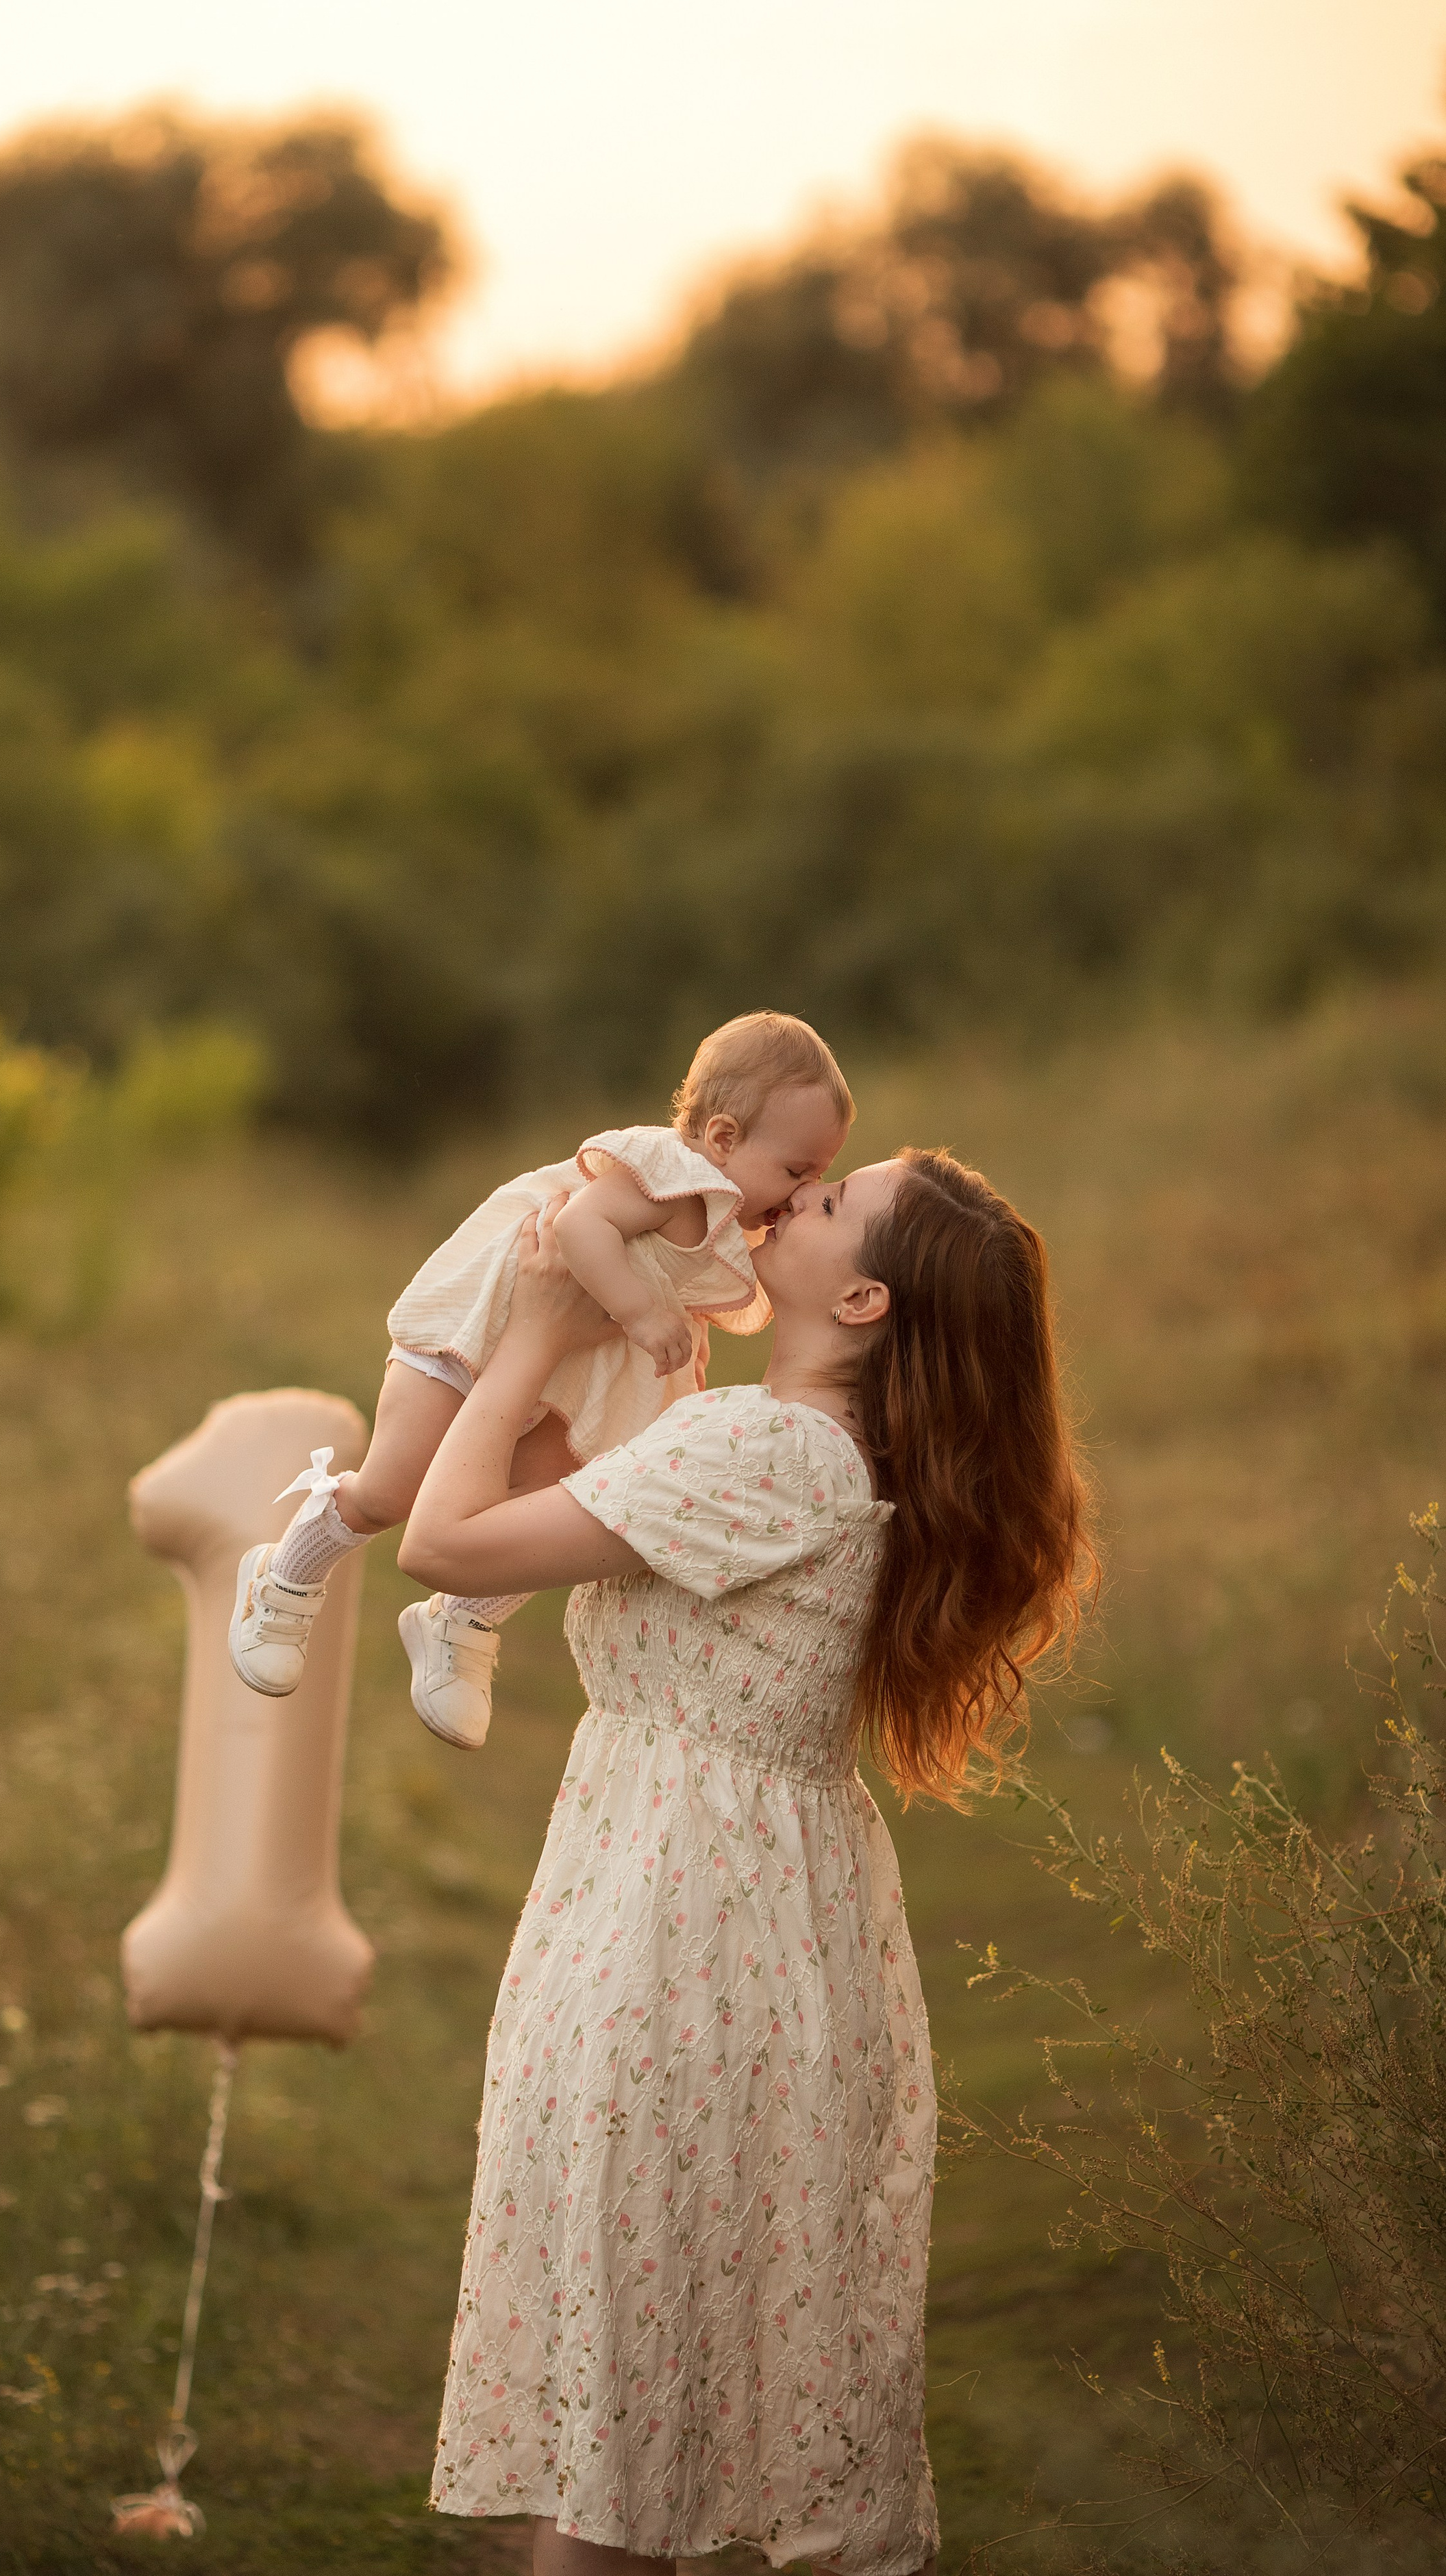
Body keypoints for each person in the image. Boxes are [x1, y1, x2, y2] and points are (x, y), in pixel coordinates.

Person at [399, 1149, 1095, 2575]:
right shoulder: (800, 1447)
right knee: (649, 2388)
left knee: (619, 2417)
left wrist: (532, 1328)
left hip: (673, 1931)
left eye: (835, 1204)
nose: (796, 1193)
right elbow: (591, 1512)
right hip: (738, 1918)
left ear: (860, 1299)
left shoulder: (766, 1452)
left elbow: (442, 1542)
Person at [229, 1012, 853, 1748]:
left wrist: (680, 1347)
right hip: (484, 1331)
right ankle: (285, 1574)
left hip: (577, 1368)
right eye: (797, 1171)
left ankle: (459, 1620)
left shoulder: (725, 1215)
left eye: (820, 1174)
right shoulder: (669, 1174)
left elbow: (681, 1285)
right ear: (722, 1138)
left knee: (560, 1496)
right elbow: (578, 1229)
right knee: (394, 1487)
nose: (806, 1189)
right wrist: (640, 1311)